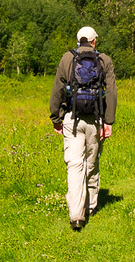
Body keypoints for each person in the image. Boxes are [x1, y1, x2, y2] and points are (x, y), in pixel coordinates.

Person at [49, 26, 117, 231]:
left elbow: (57, 90)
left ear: (79, 40)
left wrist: (56, 118)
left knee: (75, 165)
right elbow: (111, 91)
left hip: (72, 118)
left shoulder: (67, 59)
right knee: (91, 162)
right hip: (96, 120)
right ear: (95, 41)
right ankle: (91, 207)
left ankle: (76, 216)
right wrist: (108, 121)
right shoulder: (105, 59)